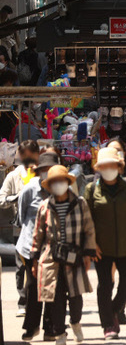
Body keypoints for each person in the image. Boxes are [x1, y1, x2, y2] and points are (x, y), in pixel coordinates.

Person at [83, 147, 126, 340]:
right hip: (102, 247)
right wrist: (91, 243)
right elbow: (87, 219)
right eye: (104, 166)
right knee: (105, 285)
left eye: (112, 165)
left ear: (119, 167)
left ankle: (112, 310)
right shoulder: (91, 189)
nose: (108, 168)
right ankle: (108, 325)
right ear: (99, 168)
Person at [30, 164, 96, 345]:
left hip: (74, 256)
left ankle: (75, 322)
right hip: (52, 259)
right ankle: (60, 334)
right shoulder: (44, 206)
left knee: (76, 298)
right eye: (54, 182)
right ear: (50, 186)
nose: (58, 184)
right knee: (55, 300)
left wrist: (88, 253)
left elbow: (89, 229)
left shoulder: (80, 203)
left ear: (67, 182)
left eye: (61, 181)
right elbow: (38, 234)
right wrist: (35, 260)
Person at [17, 152, 57, 341]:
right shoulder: (29, 189)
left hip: (53, 246)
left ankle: (50, 327)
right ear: (38, 171)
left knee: (52, 287)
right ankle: (31, 327)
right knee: (32, 287)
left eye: (50, 169)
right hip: (30, 246)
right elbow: (21, 217)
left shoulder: (62, 188)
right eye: (43, 170)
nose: (47, 173)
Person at [0, 139, 40, 316]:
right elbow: (1, 198)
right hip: (21, 229)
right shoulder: (13, 176)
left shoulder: (43, 174)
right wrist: (15, 198)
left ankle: (40, 299)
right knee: (22, 267)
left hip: (42, 229)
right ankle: (23, 302)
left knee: (42, 265)